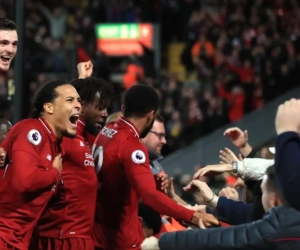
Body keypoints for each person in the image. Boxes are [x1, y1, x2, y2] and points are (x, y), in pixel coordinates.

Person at [92, 84, 219, 250]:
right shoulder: (132, 146)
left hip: (99, 232)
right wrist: (193, 216)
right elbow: (151, 196)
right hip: (120, 239)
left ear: (123, 108)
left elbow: (117, 176)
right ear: (151, 115)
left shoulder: (107, 130)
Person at [0, 80, 81, 250]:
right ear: (49, 108)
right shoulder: (31, 130)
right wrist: (55, 174)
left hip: (18, 239)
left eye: (79, 100)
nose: (78, 105)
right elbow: (25, 182)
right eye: (70, 100)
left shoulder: (55, 145)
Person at [36, 77, 114, 250]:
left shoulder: (84, 138)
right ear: (82, 105)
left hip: (80, 237)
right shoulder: (62, 135)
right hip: (60, 238)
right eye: (100, 107)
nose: (105, 114)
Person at [158, 165, 300, 250]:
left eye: (261, 193)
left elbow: (228, 238)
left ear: (274, 201)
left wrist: (162, 243)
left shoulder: (275, 230)